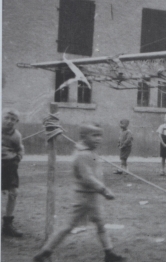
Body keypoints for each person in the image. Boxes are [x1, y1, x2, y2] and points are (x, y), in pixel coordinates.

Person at [33, 123, 126, 262]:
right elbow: (87, 178)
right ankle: (44, 252)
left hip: (93, 197)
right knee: (69, 226)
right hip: (84, 197)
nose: (98, 139)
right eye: (94, 135)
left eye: (100, 135)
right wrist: (104, 190)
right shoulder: (83, 154)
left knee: (101, 224)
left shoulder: (90, 152)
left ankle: (109, 253)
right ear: (83, 137)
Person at [2, 108, 25, 237]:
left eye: (13, 119)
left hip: (9, 166)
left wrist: (17, 159)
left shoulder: (17, 135)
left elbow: (20, 149)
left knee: (13, 193)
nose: (9, 121)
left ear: (16, 121)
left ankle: (7, 225)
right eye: (7, 118)